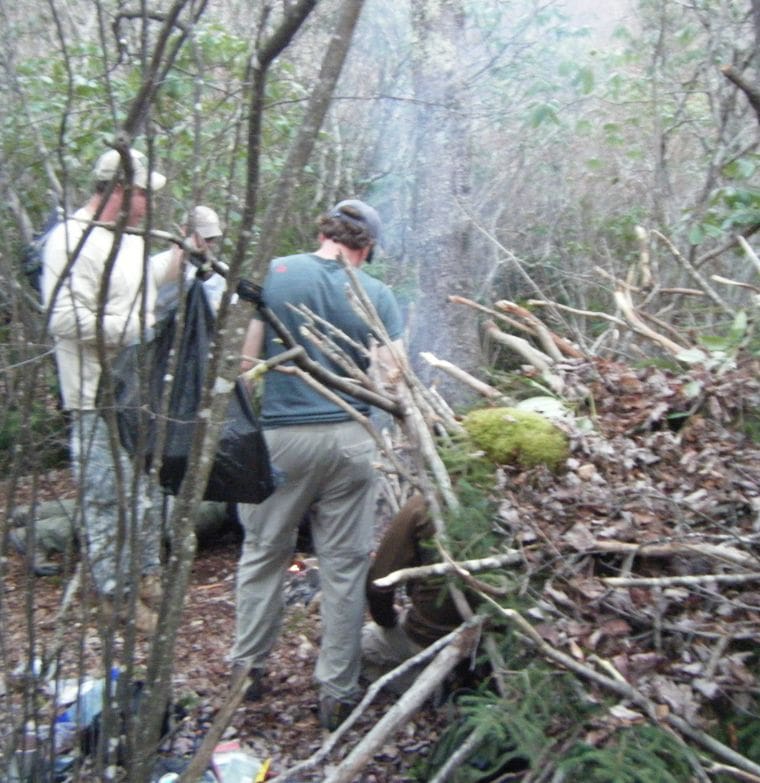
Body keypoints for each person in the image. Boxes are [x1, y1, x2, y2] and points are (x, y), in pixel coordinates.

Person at [231, 199, 404, 730]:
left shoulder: (277, 273)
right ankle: (337, 691)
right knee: (345, 566)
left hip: (283, 438)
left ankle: (247, 674)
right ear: (366, 247)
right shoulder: (377, 294)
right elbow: (392, 378)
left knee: (263, 553)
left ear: (323, 230)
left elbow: (246, 364)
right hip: (352, 439)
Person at [41, 147, 179, 633]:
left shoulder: (130, 240)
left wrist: (181, 255)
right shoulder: (70, 240)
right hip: (94, 396)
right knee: (105, 498)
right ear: (120, 191)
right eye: (142, 193)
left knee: (145, 490)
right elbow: (61, 315)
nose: (147, 203)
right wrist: (134, 328)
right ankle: (116, 597)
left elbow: (138, 283)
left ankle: (145, 577)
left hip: (134, 394)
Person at [362, 494, 465, 686]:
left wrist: (388, 619)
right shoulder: (510, 502)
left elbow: (378, 585)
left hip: (430, 633)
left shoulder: (424, 504)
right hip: (486, 633)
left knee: (361, 645)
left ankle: (430, 685)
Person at [154, 205, 226, 321]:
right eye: (207, 237)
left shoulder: (219, 272)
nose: (210, 244)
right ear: (185, 231)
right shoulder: (159, 263)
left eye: (213, 238)